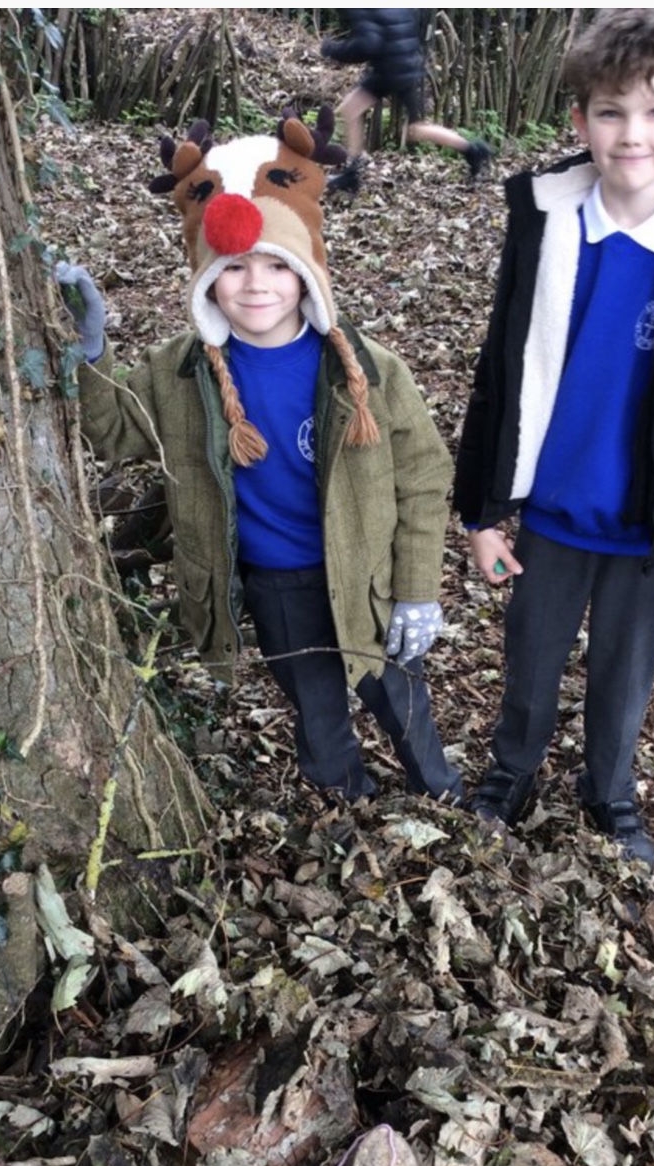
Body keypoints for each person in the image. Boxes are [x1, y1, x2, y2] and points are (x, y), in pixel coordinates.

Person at [57, 111, 463, 806]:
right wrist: (92, 354)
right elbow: (118, 432)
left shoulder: (363, 367)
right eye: (235, 267)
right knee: (318, 711)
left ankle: (443, 796)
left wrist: (419, 586)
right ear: (207, 278)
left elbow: (424, 476)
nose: (256, 284)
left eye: (278, 264)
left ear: (307, 271)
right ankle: (349, 806)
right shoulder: (181, 372)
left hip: (366, 574)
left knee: (396, 694)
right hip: (278, 582)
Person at [452, 8, 654, 869]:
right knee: (530, 659)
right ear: (580, 121)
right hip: (555, 513)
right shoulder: (547, 221)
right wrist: (480, 512)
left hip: (649, 522)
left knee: (622, 674)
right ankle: (510, 773)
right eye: (610, 112)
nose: (632, 134)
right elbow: (502, 368)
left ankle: (610, 791)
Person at [320, 9, 491, 193]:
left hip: (389, 70)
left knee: (353, 110)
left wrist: (333, 49)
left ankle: (351, 176)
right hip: (404, 65)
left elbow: (368, 44)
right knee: (416, 127)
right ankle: (472, 150)